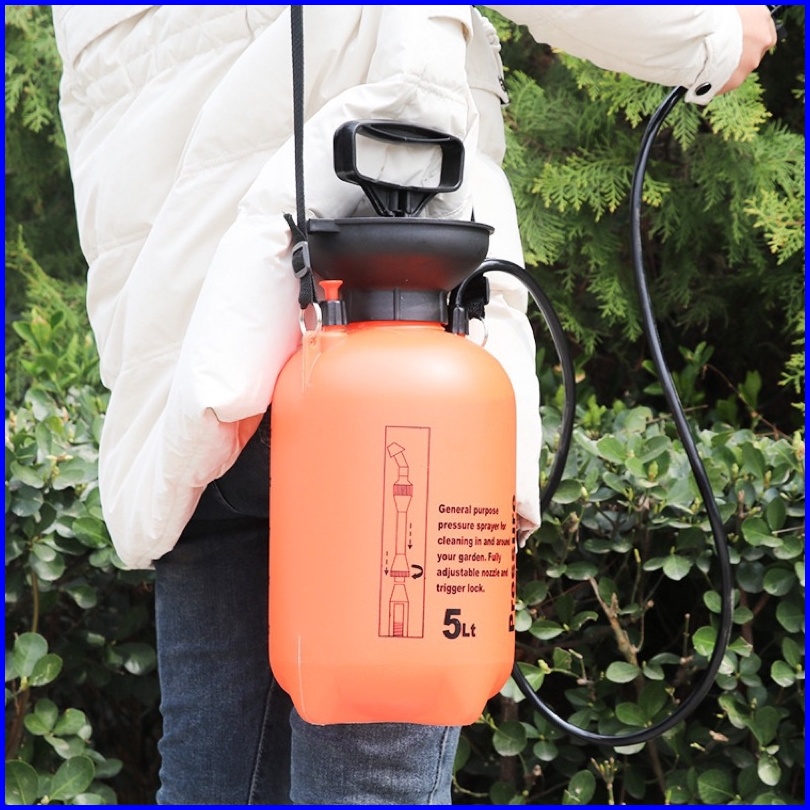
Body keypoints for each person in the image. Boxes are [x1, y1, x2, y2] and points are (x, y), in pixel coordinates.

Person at [52, 5, 776, 805]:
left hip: (192, 367)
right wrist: (709, 35)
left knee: (216, 780)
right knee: (369, 781)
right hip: (379, 350)